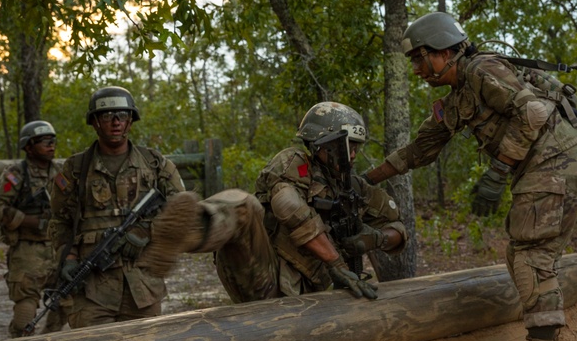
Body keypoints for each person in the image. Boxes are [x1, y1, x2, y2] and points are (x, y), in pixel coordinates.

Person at [361, 12, 577, 341]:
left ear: (444, 50)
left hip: (557, 163)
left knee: (531, 259)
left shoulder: (482, 69)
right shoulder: (457, 99)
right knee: (525, 255)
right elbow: (420, 149)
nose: (418, 69)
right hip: (551, 166)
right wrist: (369, 179)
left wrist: (498, 169)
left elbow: (534, 112)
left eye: (421, 58)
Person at [136, 102, 408, 303]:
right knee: (244, 205)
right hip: (265, 277)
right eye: (344, 146)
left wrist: (374, 239)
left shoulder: (356, 188)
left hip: (311, 294)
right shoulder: (294, 163)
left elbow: (398, 226)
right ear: (318, 144)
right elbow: (288, 206)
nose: (351, 154)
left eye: (356, 147)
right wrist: (336, 263)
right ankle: (190, 228)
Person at [48, 86, 187, 329]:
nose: (115, 122)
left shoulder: (155, 164)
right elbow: (59, 221)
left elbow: (182, 210)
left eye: (122, 115)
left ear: (130, 121)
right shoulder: (75, 169)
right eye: (107, 116)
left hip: (142, 285)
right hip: (92, 288)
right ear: (94, 122)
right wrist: (67, 257)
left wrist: (145, 231)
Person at [0, 120, 67, 337]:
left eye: (53, 141)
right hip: (27, 250)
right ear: (29, 147)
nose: (51, 145)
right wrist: (31, 221)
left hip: (57, 249)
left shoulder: (59, 172)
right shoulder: (16, 174)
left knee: (66, 301)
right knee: (25, 315)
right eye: (44, 141)